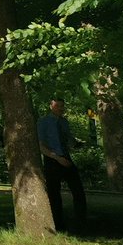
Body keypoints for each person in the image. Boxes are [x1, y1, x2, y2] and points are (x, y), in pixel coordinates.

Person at [37, 98, 86, 231]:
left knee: (78, 190)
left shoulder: (64, 122)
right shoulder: (43, 122)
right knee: (54, 194)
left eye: (62, 106)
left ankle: (81, 222)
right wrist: (57, 158)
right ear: (51, 106)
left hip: (66, 158)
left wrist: (76, 144)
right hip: (52, 159)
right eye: (57, 106)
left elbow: (67, 139)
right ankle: (58, 224)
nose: (60, 108)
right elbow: (41, 145)